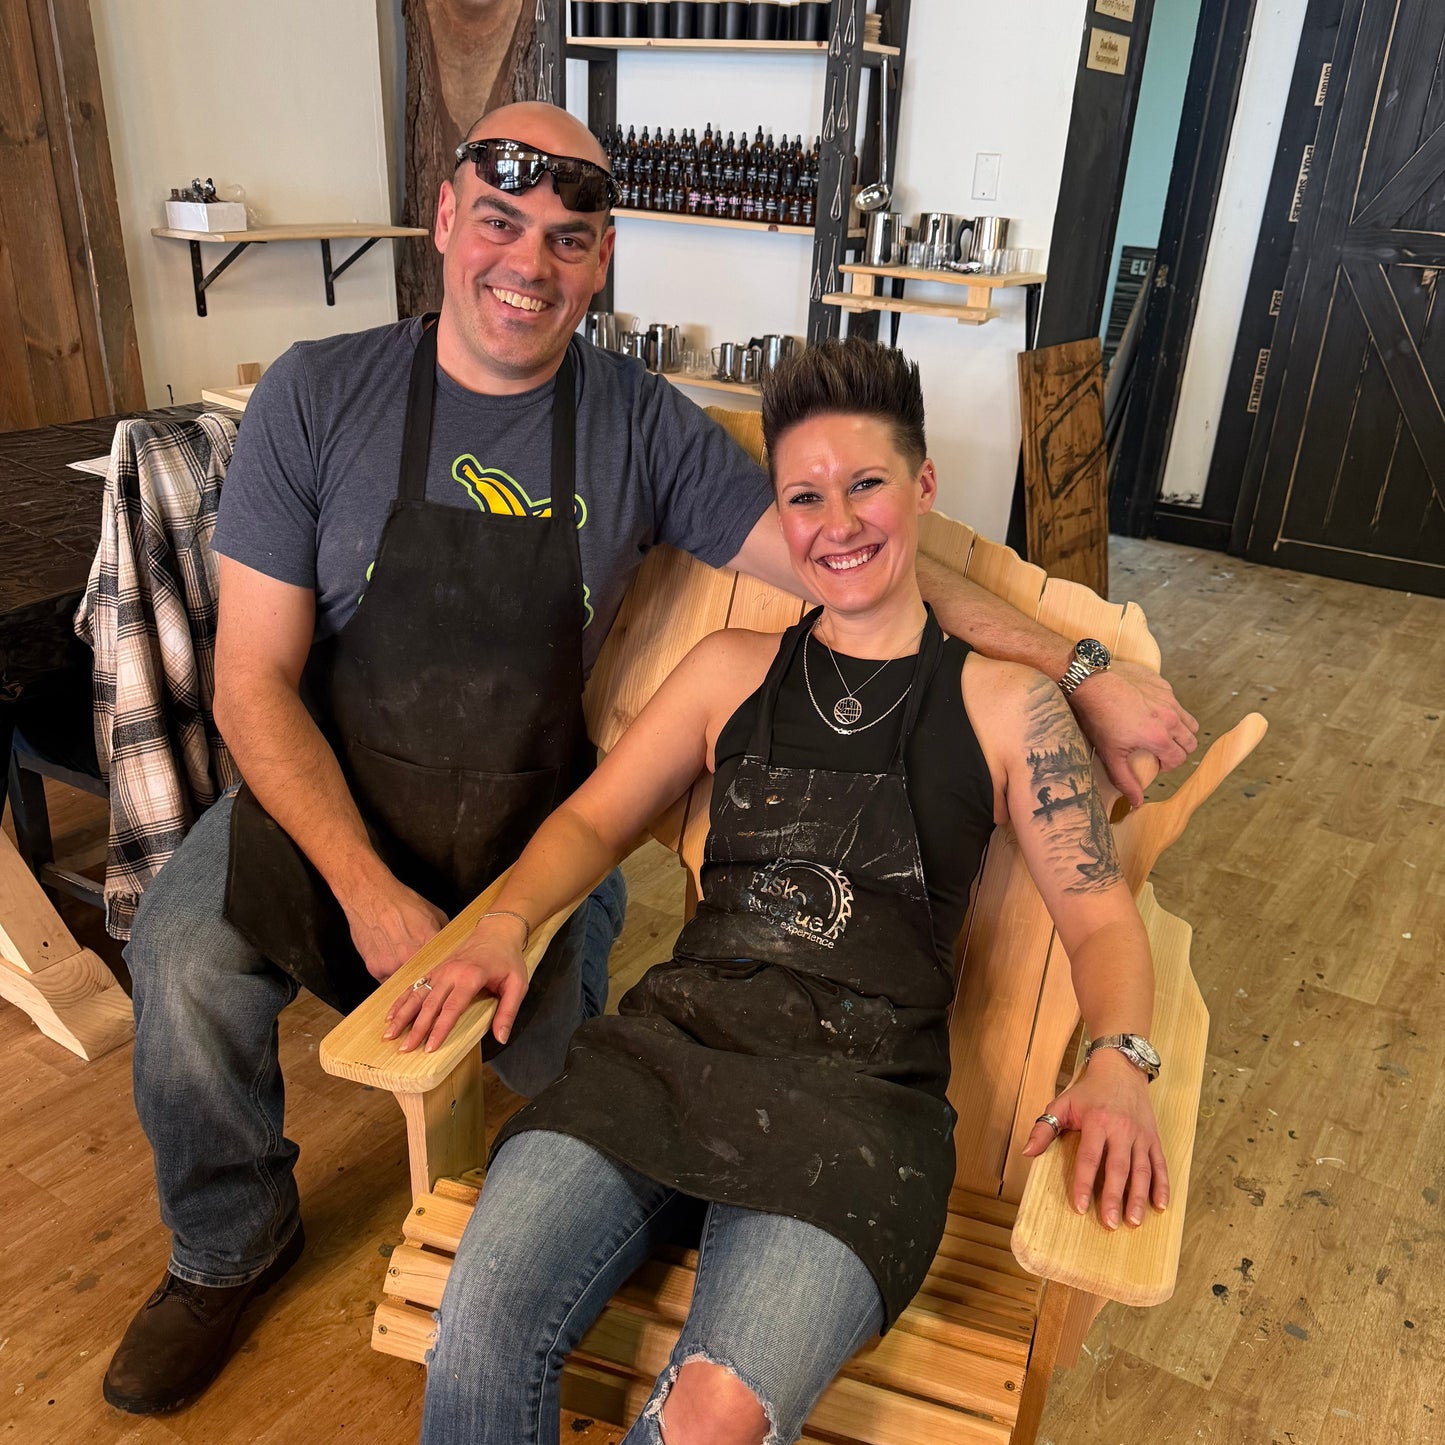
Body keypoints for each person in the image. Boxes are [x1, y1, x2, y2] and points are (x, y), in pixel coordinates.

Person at [103, 100, 1192, 1417]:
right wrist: (372, 891)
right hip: (329, 785)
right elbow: (250, 686)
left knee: (547, 1058)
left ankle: (559, 1207)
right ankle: (229, 1243)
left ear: (601, 257)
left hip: (535, 803)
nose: (528, 263)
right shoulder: (316, 396)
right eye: (500, 223)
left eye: (569, 238)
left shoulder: (645, 426)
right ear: (447, 220)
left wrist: (1080, 666)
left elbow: (863, 569)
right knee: (180, 957)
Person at [389, 338, 1170, 1445]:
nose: (837, 522)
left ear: (922, 487)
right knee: (480, 1314)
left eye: (866, 484)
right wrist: (510, 920)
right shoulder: (726, 670)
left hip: (859, 1105)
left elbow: (1096, 916)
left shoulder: (1007, 707)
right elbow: (589, 819)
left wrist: (1118, 1057)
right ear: (780, 515)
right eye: (805, 495)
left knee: (713, 1414)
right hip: (668, 1052)